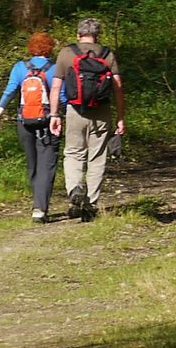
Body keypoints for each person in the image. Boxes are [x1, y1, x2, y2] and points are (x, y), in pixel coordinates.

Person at [48, 18, 125, 221]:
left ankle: (74, 190)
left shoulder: (66, 53)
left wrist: (54, 114)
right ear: (97, 36)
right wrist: (120, 117)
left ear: (78, 34)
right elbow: (117, 87)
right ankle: (90, 204)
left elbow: (56, 87)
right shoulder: (107, 54)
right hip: (102, 111)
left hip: (75, 110)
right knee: (97, 157)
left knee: (73, 153)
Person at [0, 31, 60, 222]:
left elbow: (10, 92)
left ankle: (37, 202)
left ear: (31, 47)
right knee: (47, 164)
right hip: (48, 122)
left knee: (33, 164)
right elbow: (62, 97)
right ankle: (40, 208)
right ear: (50, 47)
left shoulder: (20, 67)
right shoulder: (56, 68)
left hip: (24, 122)